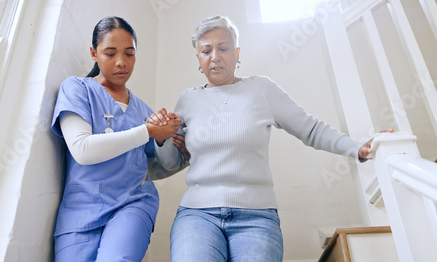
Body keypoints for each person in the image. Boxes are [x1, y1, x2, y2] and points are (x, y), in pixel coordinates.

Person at [148, 15, 392, 262]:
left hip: (256, 217)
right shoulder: (188, 99)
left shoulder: (261, 90)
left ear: (237, 52)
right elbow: (170, 161)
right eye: (206, 50)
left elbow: (311, 129)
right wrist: (161, 139)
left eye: (223, 48)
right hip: (197, 215)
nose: (215, 56)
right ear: (198, 58)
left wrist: (357, 147)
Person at [51, 16, 182, 262]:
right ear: (94, 53)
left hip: (132, 204)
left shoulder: (143, 111)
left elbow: (161, 164)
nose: (121, 63)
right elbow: (82, 150)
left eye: (129, 53)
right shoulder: (77, 89)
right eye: (110, 54)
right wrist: (149, 132)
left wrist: (167, 137)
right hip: (79, 213)